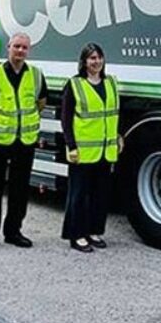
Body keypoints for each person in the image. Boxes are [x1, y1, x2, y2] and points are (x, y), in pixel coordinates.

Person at [0, 32, 47, 254]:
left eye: (24, 47)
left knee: (20, 188)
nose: (20, 51)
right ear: (9, 47)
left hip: (24, 141)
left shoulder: (35, 75)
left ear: (28, 50)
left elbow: (40, 103)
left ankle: (13, 232)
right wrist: (1, 123)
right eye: (17, 46)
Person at [61, 43, 123, 253]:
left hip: (106, 149)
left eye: (99, 57)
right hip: (83, 150)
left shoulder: (111, 83)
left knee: (100, 194)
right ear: (84, 62)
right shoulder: (75, 85)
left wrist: (118, 135)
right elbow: (66, 119)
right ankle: (76, 235)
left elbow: (113, 113)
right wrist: (71, 145)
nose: (96, 62)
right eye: (92, 58)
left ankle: (94, 231)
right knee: (78, 195)